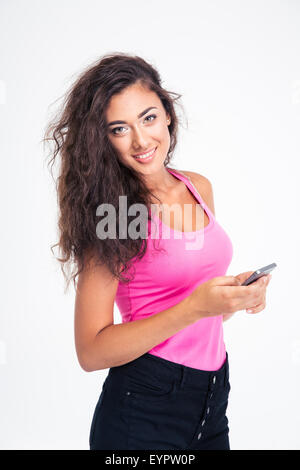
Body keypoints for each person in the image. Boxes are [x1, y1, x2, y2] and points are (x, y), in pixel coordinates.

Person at [44, 52, 272, 450]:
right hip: (146, 404)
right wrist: (195, 307)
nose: (140, 140)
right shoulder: (120, 213)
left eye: (148, 118)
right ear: (103, 138)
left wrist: (232, 298)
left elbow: (195, 308)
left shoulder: (197, 187)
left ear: (167, 113)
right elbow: (91, 350)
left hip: (213, 397)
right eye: (119, 128)